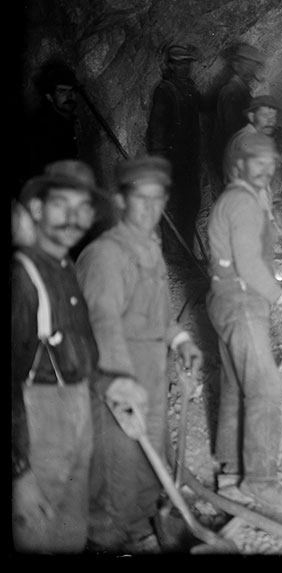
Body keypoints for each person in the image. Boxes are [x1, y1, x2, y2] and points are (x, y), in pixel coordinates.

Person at [12, 160, 147, 553]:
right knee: (37, 533)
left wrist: (110, 385)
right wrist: (19, 476)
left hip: (76, 410)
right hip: (37, 425)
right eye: (61, 205)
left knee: (70, 532)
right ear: (37, 209)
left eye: (82, 208)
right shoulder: (22, 278)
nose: (73, 218)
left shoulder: (66, 268)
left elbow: (71, 352)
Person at [74, 156, 204, 552]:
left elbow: (159, 313)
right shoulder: (106, 256)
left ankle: (147, 522)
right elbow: (102, 326)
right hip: (116, 371)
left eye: (158, 198)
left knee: (150, 453)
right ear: (120, 200)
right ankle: (112, 537)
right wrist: (119, 382)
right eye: (139, 199)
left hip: (150, 368)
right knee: (118, 463)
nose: (150, 209)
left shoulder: (148, 247)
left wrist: (180, 340)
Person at [206, 131, 282, 514]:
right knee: (264, 389)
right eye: (258, 163)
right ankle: (261, 482)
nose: (267, 170)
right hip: (244, 302)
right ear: (238, 165)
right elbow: (249, 265)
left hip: (224, 299)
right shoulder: (243, 204)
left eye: (271, 163)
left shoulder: (237, 199)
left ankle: (232, 474)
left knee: (235, 387)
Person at [146, 41, 204, 261]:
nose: (185, 68)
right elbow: (157, 130)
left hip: (189, 160)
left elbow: (205, 104)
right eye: (180, 64)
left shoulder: (189, 88)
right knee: (173, 206)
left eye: (188, 64)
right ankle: (173, 255)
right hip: (171, 162)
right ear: (171, 66)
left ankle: (186, 253)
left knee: (190, 204)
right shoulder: (165, 91)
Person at [215, 42, 266, 181]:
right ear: (237, 65)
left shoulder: (241, 90)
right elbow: (235, 131)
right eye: (249, 64)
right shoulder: (232, 91)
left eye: (254, 64)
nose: (253, 68)